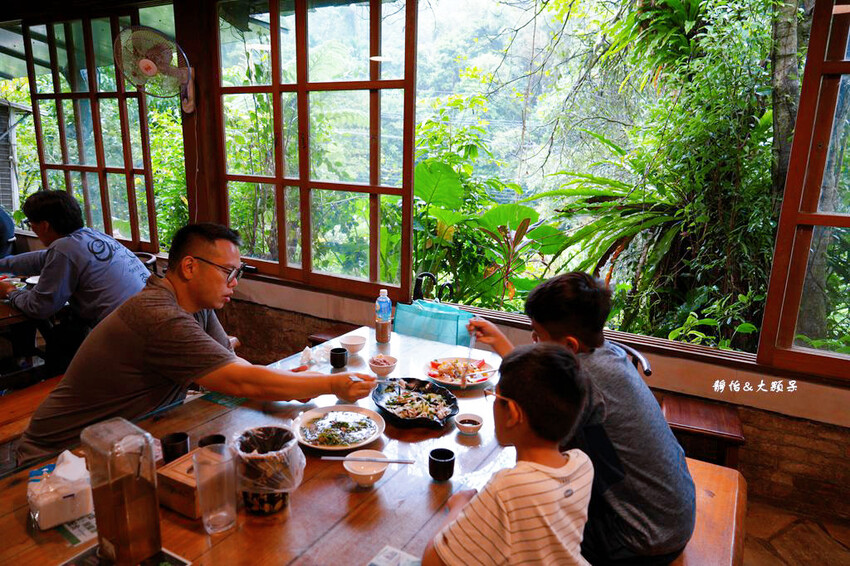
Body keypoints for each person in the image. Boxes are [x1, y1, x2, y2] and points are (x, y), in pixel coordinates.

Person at [16, 223, 375, 465]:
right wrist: (329, 384)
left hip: (127, 438)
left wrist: (285, 382)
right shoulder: (158, 315)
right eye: (228, 272)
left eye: (238, 272)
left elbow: (237, 369)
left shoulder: (195, 307)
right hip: (58, 455)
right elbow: (241, 382)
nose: (234, 282)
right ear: (189, 267)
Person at [469, 272, 696, 566]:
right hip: (672, 512)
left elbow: (540, 447)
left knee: (523, 523)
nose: (533, 341)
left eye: (537, 335)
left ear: (571, 346)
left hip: (640, 536)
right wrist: (502, 344)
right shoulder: (604, 352)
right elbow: (543, 383)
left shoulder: (586, 382)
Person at [423, 343, 594, 566]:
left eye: (495, 396)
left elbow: (432, 561)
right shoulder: (583, 464)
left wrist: (458, 506)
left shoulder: (508, 488)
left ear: (513, 414)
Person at [0, 191, 149, 370]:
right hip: (146, 321)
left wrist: (9, 291)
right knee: (65, 334)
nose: (33, 229)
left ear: (45, 225)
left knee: (63, 340)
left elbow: (39, 307)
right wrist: (2, 265)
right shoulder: (92, 236)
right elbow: (42, 259)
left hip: (128, 336)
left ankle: (54, 386)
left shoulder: (65, 248)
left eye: (32, 225)